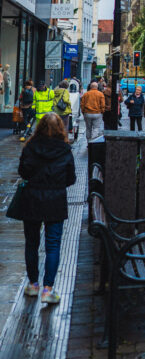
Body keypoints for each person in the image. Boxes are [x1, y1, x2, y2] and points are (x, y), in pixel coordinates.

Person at [18, 111, 76, 305]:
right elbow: (71, 178)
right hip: (55, 201)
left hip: (32, 199)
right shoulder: (65, 150)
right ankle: (48, 289)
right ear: (61, 128)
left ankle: (33, 284)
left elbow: (23, 172)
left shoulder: (30, 146)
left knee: (31, 243)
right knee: (53, 245)